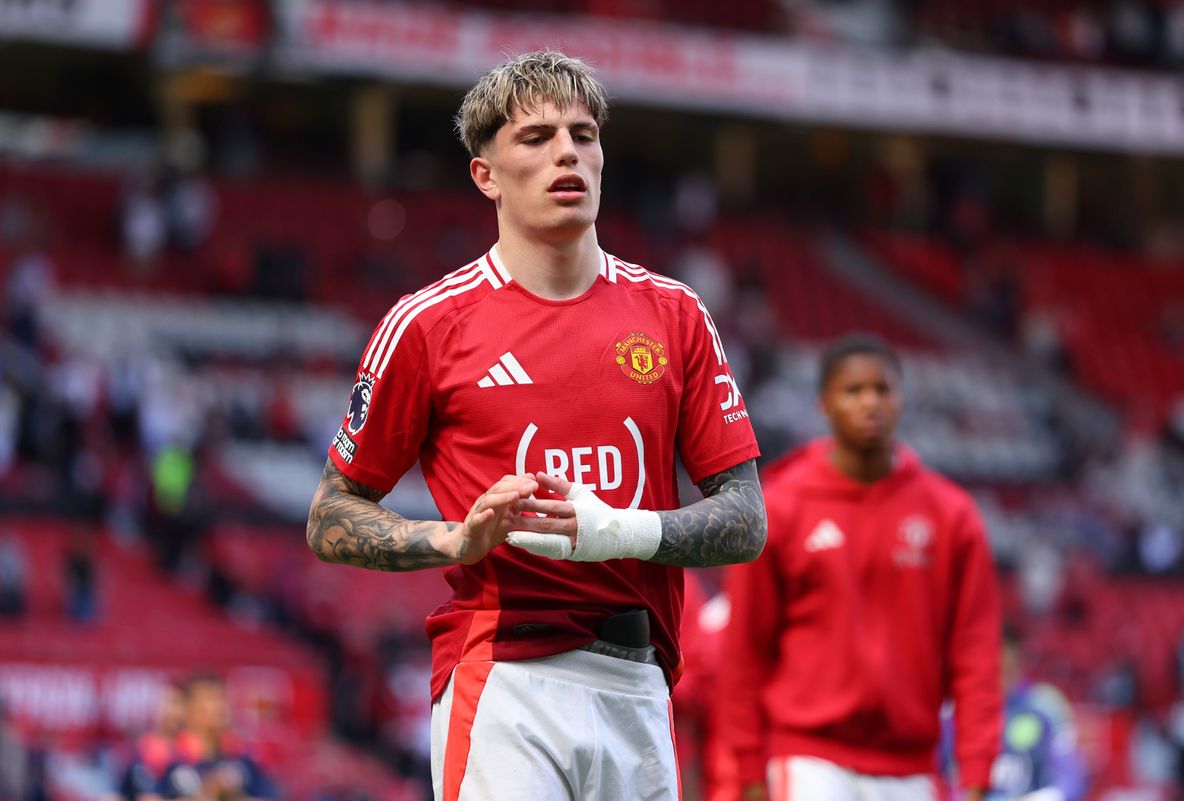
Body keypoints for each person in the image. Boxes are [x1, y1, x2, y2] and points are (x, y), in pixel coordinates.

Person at [306, 50, 766, 801]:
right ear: (485, 174)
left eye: (584, 135)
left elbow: (746, 519)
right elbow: (330, 515)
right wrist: (455, 537)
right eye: (537, 137)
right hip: (504, 680)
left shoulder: (676, 314)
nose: (567, 153)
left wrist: (616, 529)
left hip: (642, 683)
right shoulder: (425, 325)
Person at [719, 333, 1002, 801]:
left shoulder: (951, 515)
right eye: (854, 391)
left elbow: (976, 655)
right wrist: (749, 769)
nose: (871, 403)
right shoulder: (782, 507)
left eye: (883, 389)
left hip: (913, 766)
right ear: (825, 403)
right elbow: (745, 649)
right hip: (809, 759)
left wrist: (975, 772)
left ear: (902, 398)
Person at [970, 627, 1088, 801]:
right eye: (995, 669)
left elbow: (1070, 779)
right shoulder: (956, 712)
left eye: (1008, 668)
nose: (1001, 677)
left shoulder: (1046, 706)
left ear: (1019, 661)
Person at [154, 673, 278, 800]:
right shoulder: (166, 759)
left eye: (223, 698)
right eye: (211, 699)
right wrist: (206, 794)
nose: (220, 707)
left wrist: (235, 796)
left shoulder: (243, 758)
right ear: (188, 708)